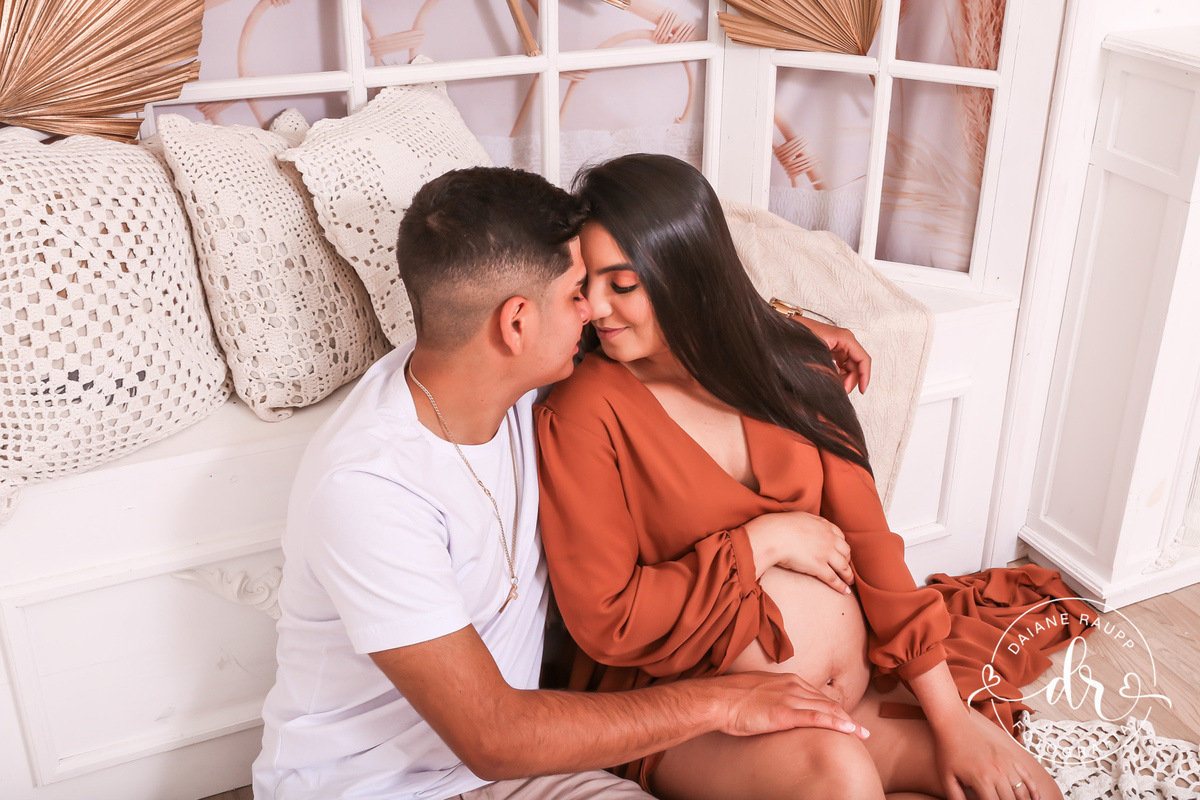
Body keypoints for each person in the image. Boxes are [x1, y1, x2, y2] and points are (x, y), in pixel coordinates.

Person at [251, 165, 879, 800]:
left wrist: (782, 330)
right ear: (517, 324)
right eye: (578, 292)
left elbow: (678, 293)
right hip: (378, 786)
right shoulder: (368, 489)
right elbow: (493, 736)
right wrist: (725, 704)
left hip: (523, 768)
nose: (594, 311)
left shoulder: (497, 374)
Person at [536, 154, 1073, 800]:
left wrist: (951, 716)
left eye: (621, 285)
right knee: (841, 777)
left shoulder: (792, 364)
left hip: (854, 699)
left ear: (686, 272)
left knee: (1024, 789)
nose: (595, 308)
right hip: (696, 714)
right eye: (585, 284)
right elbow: (608, 618)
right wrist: (763, 542)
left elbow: (871, 545)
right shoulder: (584, 411)